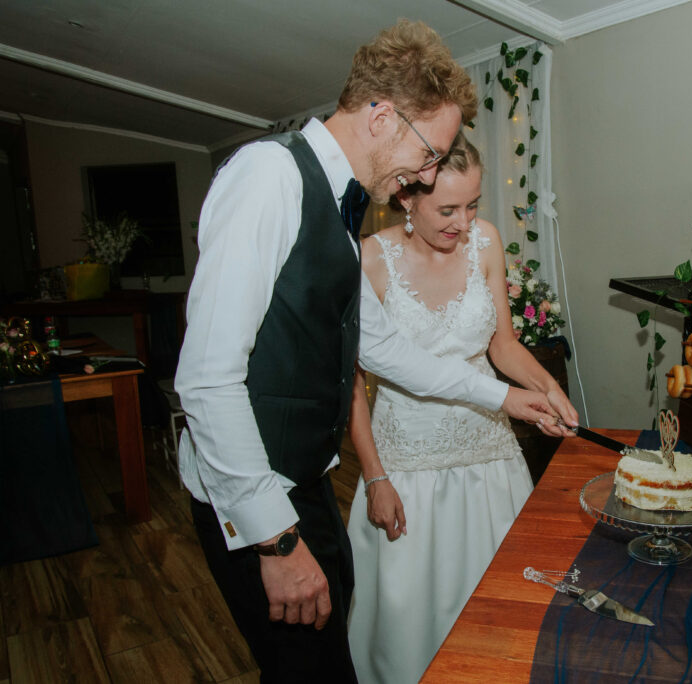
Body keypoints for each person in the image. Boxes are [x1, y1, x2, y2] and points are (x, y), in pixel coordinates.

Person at [175, 20, 575, 683]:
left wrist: (508, 397)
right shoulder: (269, 176)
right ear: (382, 115)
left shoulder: (339, 209)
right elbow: (207, 380)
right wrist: (276, 540)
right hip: (254, 499)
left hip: (301, 482)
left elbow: (386, 349)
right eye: (429, 153)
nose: (427, 174)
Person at [346, 132, 578, 684]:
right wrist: (375, 476)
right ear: (406, 196)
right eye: (448, 209)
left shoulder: (486, 242)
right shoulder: (370, 260)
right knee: (413, 613)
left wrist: (548, 387)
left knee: (500, 600)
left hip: (489, 458)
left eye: (472, 205)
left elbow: (502, 345)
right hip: (408, 467)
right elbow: (351, 382)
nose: (464, 222)